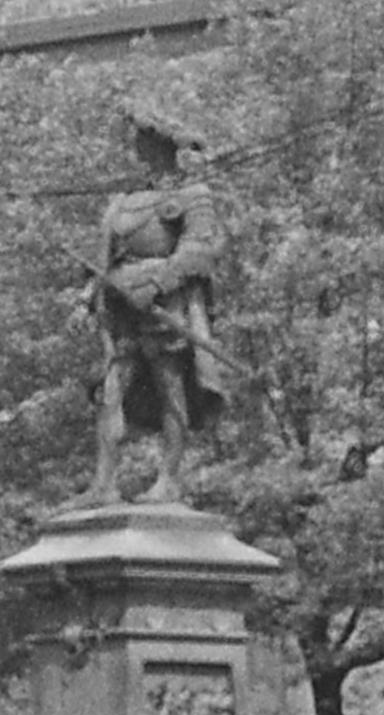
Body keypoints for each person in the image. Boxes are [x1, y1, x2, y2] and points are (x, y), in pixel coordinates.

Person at [87, 109, 226, 506]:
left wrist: (156, 284)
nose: (135, 151)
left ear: (160, 147)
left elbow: (201, 249)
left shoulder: (193, 197)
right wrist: (93, 292)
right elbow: (107, 259)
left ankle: (168, 478)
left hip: (164, 308)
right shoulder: (122, 203)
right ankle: (103, 484)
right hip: (120, 308)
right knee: (110, 393)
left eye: (141, 143)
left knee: (170, 389)